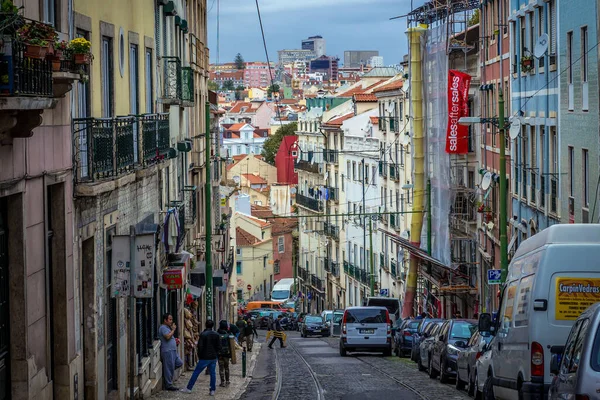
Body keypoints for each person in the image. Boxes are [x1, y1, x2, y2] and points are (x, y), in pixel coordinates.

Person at [180, 320, 220, 396]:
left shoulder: (203, 334)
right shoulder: (216, 334)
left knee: (196, 372)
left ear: (205, 325)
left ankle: (189, 388)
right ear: (213, 326)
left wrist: (200, 356)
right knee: (213, 373)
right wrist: (216, 354)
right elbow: (219, 346)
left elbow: (200, 347)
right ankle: (212, 390)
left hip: (204, 357)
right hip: (213, 357)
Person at [159, 314, 183, 391]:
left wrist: (175, 341)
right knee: (169, 368)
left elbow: (169, 337)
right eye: (170, 319)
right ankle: (168, 385)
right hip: (167, 351)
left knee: (179, 363)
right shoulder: (163, 328)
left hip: (172, 351)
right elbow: (167, 337)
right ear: (165, 320)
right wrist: (173, 330)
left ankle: (167, 374)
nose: (171, 321)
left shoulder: (167, 328)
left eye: (171, 319)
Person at [217, 321, 232, 387]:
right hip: (226, 353)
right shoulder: (228, 335)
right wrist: (231, 355)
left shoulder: (217, 334)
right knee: (227, 367)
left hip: (219, 354)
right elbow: (231, 346)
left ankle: (222, 382)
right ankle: (227, 380)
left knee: (221, 368)